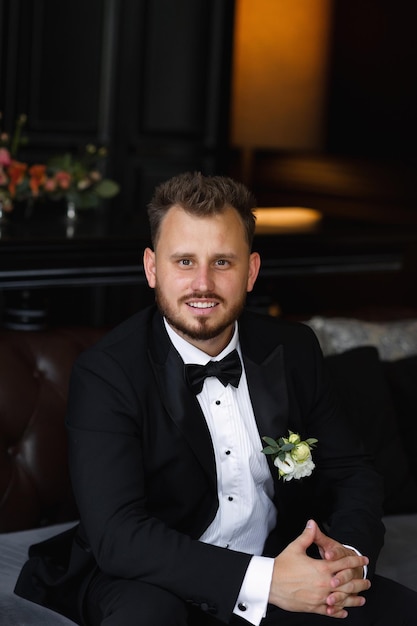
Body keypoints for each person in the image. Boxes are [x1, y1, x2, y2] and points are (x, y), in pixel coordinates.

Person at [15, 172, 417, 625]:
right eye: (184, 261)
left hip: (277, 561)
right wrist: (266, 581)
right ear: (152, 268)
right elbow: (121, 536)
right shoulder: (106, 372)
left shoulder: (294, 348)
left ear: (252, 270)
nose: (202, 284)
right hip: (149, 577)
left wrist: (348, 558)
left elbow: (352, 472)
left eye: (222, 262)